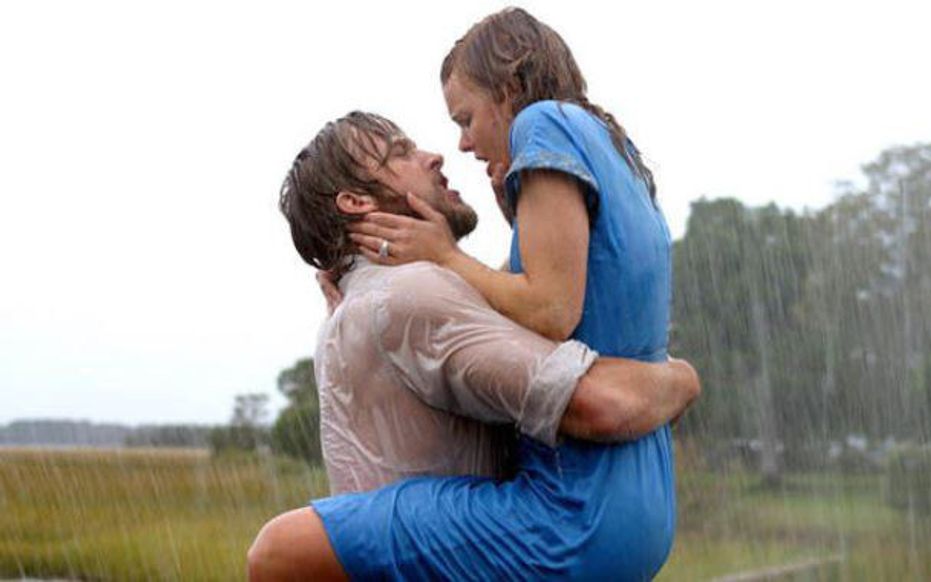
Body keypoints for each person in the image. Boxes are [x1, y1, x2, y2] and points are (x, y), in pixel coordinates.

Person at [249, 111, 698, 581]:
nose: (434, 156)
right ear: (357, 201)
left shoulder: (354, 308)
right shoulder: (407, 296)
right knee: (285, 545)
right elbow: (600, 406)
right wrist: (681, 377)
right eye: (400, 153)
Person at [345, 6, 679, 580]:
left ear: (511, 86)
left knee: (295, 545)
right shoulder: (611, 144)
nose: (463, 143)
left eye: (467, 118)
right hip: (646, 490)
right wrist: (515, 224)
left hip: (577, 503)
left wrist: (446, 256)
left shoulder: (542, 123)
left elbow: (550, 311)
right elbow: (591, 296)